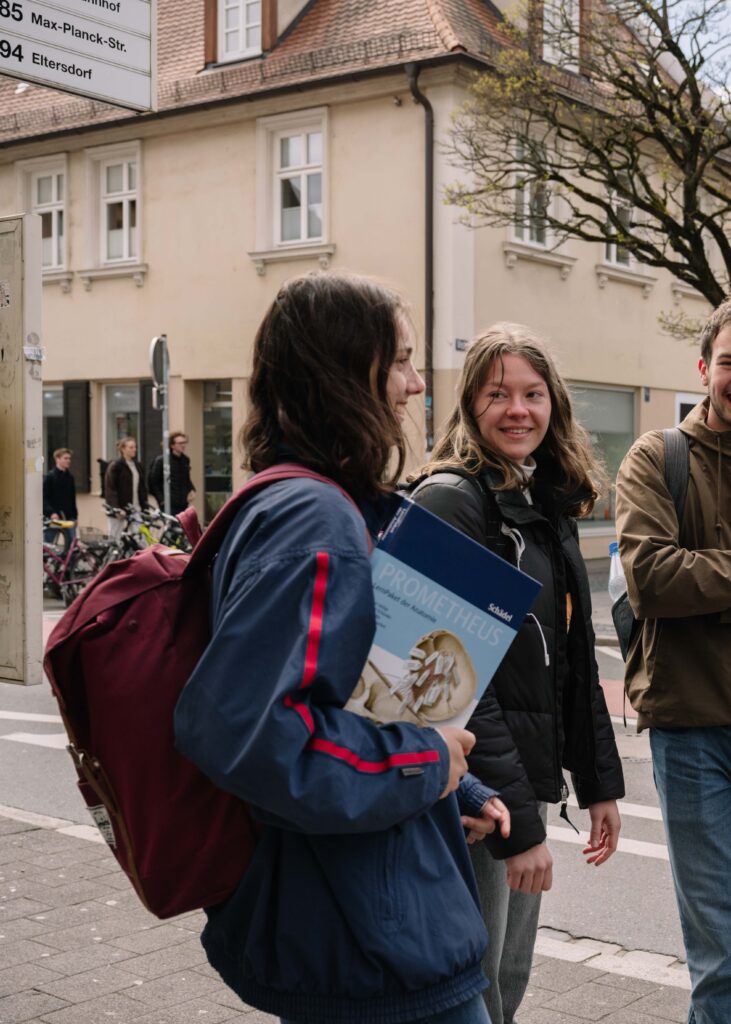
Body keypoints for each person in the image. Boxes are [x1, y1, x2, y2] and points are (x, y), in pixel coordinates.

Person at [174, 271, 511, 1024]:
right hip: (368, 931)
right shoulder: (314, 521)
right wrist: (426, 764)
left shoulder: (302, 499)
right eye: (398, 360)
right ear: (340, 371)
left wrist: (453, 788)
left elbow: (349, 701)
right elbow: (252, 732)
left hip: (361, 905)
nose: (416, 384)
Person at [408, 323, 624, 1024]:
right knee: (470, 987)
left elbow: (570, 663)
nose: (517, 410)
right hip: (469, 802)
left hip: (515, 792)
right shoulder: (450, 501)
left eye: (532, 394)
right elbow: (448, 685)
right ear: (469, 404)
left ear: (554, 405)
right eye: (496, 393)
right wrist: (516, 825)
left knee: (503, 979)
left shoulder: (541, 504)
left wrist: (597, 784)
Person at [615, 300, 731, 1024]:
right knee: (721, 952)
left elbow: (686, 577)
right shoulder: (657, 458)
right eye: (730, 362)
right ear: (704, 368)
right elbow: (652, 578)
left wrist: (708, 581)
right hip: (692, 732)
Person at [103, 437, 148, 542]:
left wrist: (145, 507)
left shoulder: (137, 465)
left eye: (135, 447)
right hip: (119, 510)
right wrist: (116, 508)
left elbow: (142, 489)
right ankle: (112, 558)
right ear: (123, 449)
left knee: (141, 539)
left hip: (135, 509)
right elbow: (110, 489)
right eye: (131, 447)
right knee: (115, 539)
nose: (134, 449)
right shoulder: (115, 466)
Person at [148, 432, 196, 515]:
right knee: (172, 526)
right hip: (168, 503)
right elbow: (153, 482)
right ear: (172, 445)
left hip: (183, 503)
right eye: (180, 443)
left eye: (184, 443)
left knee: (181, 526)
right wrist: (161, 500)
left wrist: (192, 490)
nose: (183, 445)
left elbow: (186, 479)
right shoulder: (162, 461)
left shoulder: (185, 460)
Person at [43, 447, 78, 546]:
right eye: (65, 458)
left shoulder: (70, 477)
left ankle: (70, 561)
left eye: (69, 458)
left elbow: (72, 498)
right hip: (54, 517)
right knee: (49, 543)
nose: (68, 461)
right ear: (57, 459)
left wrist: (74, 516)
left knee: (72, 545)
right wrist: (51, 512)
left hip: (68, 516)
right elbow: (44, 498)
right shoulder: (50, 477)